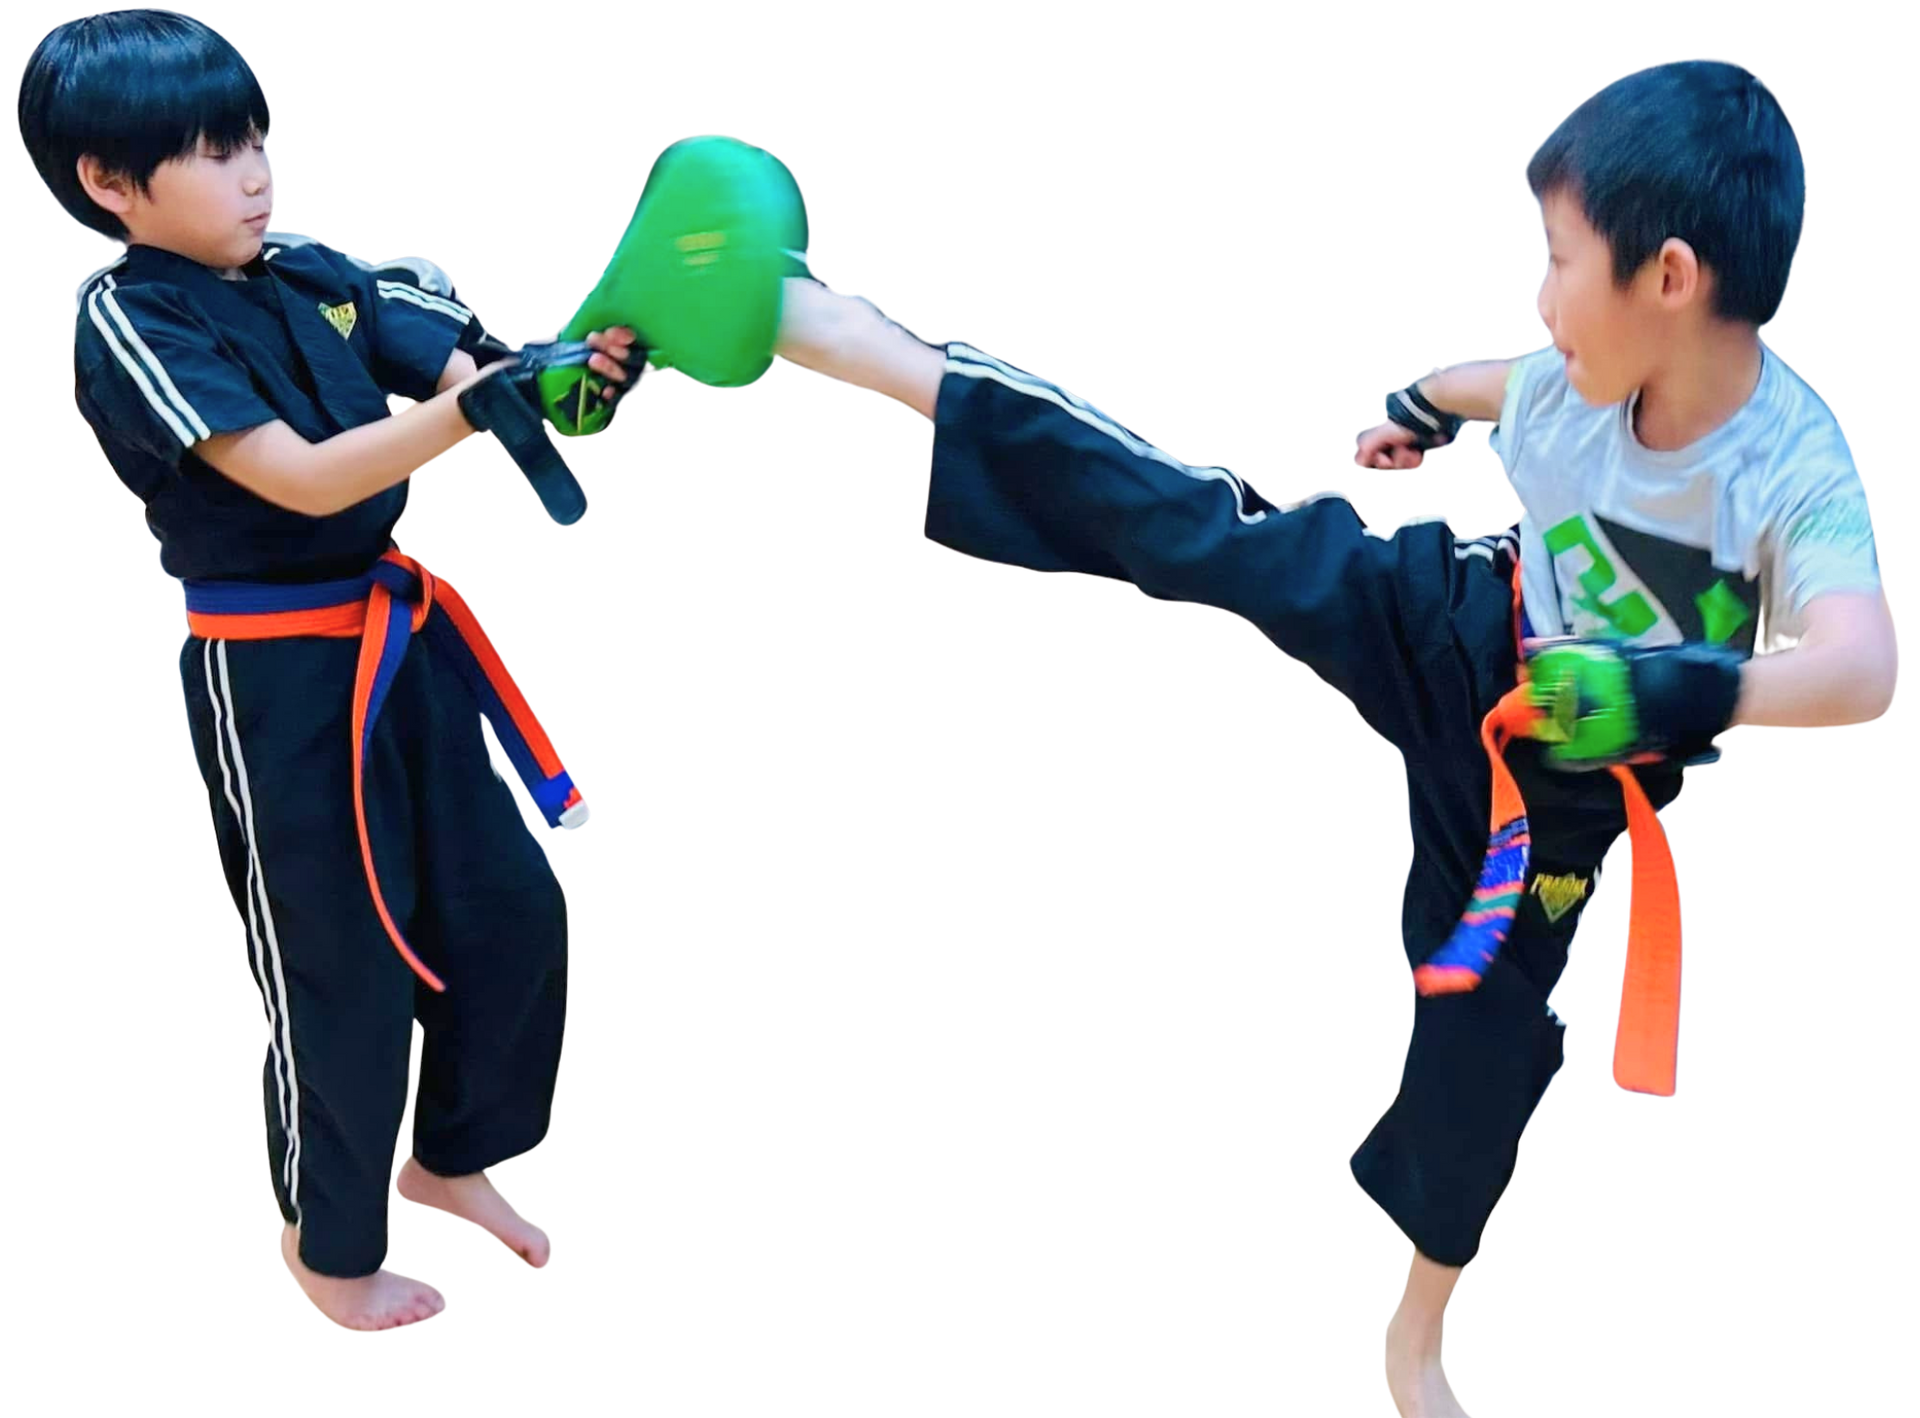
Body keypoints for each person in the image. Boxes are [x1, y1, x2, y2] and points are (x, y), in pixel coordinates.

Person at [766, 61, 1893, 1418]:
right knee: (1211, 530)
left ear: (1668, 277)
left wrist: (1683, 696)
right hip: (1458, 625)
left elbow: (1860, 668)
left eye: (1558, 259)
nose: (1542, 296)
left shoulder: (1793, 468)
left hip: (1566, 785)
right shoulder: (1577, 376)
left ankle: (1415, 1336)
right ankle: (869, 348)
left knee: (1482, 1048)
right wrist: (1421, 406)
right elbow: (1503, 382)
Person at [20, 10, 642, 1334]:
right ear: (109, 182)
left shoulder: (313, 267)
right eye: (211, 151)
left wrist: (592, 363)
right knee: (339, 970)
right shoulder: (124, 314)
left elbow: (491, 376)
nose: (253, 174)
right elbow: (300, 481)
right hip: (272, 677)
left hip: (398, 640)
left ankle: (450, 1161)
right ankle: (328, 1243)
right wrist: (471, 410)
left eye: (255, 140)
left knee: (510, 911)